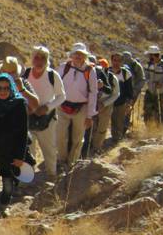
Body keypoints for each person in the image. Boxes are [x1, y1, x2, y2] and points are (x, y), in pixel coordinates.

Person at [0, 74, 29, 215]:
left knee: (8, 183)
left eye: (6, 88)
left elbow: (23, 133)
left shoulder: (19, 105)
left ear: (11, 88)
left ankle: (3, 206)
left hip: (10, 151)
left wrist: (20, 156)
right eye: (0, 88)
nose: (3, 91)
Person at [23, 45, 66, 180]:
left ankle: (51, 175)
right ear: (32, 58)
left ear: (47, 60)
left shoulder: (53, 75)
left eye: (43, 58)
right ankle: (27, 179)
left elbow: (61, 96)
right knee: (28, 150)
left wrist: (47, 107)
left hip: (47, 119)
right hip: (28, 117)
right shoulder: (26, 74)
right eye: (36, 57)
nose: (39, 61)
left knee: (49, 149)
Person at [57, 43, 98, 171]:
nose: (78, 56)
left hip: (81, 108)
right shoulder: (64, 68)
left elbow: (93, 93)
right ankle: (62, 160)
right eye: (76, 54)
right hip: (62, 106)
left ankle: (72, 162)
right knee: (60, 136)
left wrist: (90, 115)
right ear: (72, 55)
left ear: (85, 56)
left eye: (81, 54)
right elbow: (55, 85)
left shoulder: (90, 71)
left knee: (78, 138)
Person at [89, 58, 118, 154]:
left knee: (102, 127)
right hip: (94, 103)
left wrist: (104, 104)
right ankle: (90, 146)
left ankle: (97, 147)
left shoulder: (112, 78)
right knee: (92, 126)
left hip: (106, 104)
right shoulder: (92, 75)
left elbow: (115, 94)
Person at [108, 54, 135, 143]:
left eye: (119, 61)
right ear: (111, 60)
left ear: (122, 62)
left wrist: (129, 103)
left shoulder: (126, 73)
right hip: (107, 102)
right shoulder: (106, 72)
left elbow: (129, 90)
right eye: (115, 60)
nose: (116, 63)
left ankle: (116, 141)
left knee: (119, 122)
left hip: (121, 102)